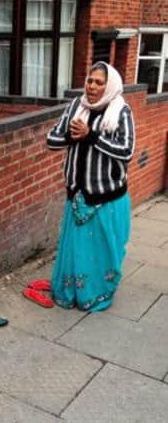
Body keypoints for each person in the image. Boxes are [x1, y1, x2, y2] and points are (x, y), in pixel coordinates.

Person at [23, 61, 135, 311]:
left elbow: (126, 151)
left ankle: (97, 294)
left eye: (99, 82)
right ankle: (70, 291)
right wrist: (70, 136)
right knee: (76, 249)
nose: (92, 86)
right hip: (77, 193)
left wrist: (91, 136)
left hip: (107, 196)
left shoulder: (121, 111)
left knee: (104, 249)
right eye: (90, 80)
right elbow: (52, 140)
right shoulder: (77, 106)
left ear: (110, 86)